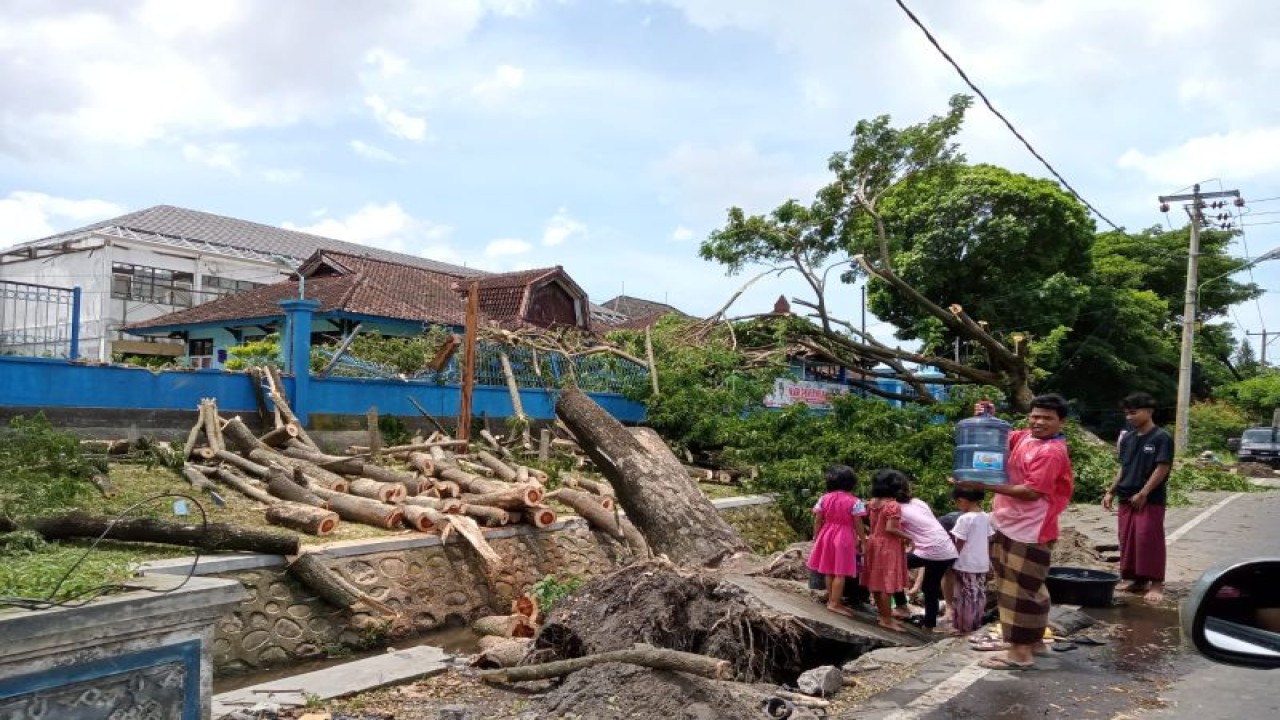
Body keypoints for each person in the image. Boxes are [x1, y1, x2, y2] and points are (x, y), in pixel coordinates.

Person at [952, 394, 1075, 671]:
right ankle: (1033, 643)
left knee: (1018, 591)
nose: (1039, 421)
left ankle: (1020, 654)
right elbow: (995, 441)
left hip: (1030, 529)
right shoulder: (1024, 438)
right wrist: (987, 416)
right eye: (1035, 415)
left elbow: (1032, 492)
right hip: (1006, 522)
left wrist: (982, 486)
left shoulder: (1051, 452)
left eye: (1047, 418)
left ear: (1061, 422)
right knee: (1028, 587)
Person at [1103, 392, 1173, 605]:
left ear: (1149, 412)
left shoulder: (1162, 437)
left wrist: (1144, 492)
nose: (1129, 417)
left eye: (1133, 412)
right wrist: (1110, 491)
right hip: (1126, 496)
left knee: (1148, 539)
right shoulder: (1128, 438)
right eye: (1127, 413)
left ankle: (1156, 583)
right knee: (1128, 539)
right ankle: (1136, 580)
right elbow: (1124, 467)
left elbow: (1162, 467)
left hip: (1149, 499)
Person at [885, 470, 958, 633]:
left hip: (931, 550)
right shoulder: (918, 502)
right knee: (930, 587)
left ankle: (901, 606)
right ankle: (929, 625)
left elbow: (892, 530)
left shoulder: (895, 508)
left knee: (893, 566)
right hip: (947, 550)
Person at [806, 465, 868, 617]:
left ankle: (831, 600)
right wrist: (863, 539)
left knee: (829, 569)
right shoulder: (854, 501)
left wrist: (816, 536)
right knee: (841, 572)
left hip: (826, 534)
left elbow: (818, 520)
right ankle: (835, 603)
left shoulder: (823, 498)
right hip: (845, 536)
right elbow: (858, 524)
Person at [863, 468, 911, 631]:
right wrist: (909, 537)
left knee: (877, 581)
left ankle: (884, 615)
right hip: (888, 546)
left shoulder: (873, 502)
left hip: (874, 542)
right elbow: (891, 528)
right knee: (887, 583)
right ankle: (886, 619)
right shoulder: (892, 505)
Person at [948, 486, 992, 635]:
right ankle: (974, 623)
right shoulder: (985, 516)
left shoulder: (964, 518)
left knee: (965, 595)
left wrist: (952, 558)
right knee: (977, 594)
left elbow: (959, 541)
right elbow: (989, 538)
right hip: (981, 562)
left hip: (966, 563)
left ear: (962, 500)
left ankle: (965, 627)